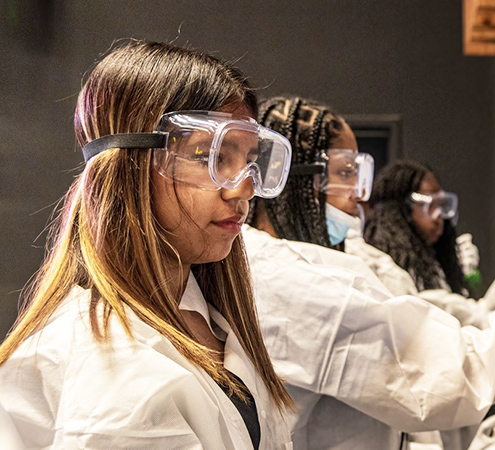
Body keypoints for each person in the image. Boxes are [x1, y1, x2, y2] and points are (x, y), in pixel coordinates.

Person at [0, 41, 296, 449]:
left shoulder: (202, 313)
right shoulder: (106, 365)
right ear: (131, 164)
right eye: (207, 156)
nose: (244, 187)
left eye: (248, 160)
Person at [244, 95, 495, 450]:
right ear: (286, 177)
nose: (358, 198)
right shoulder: (295, 280)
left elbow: (358, 415)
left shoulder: (282, 262)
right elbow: (442, 376)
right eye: (346, 173)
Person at [362, 160, 495, 328]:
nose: (439, 217)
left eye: (440, 205)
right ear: (400, 211)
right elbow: (419, 314)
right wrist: (480, 310)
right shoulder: (383, 263)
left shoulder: (433, 259)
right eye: (428, 205)